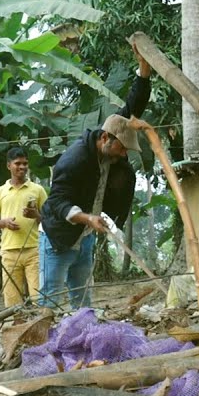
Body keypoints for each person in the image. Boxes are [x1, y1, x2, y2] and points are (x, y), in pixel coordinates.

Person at [40, 58, 152, 310]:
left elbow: (133, 106)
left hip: (85, 236)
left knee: (82, 300)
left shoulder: (113, 130)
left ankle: (84, 340)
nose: (124, 155)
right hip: (58, 237)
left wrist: (143, 73)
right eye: (122, 149)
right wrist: (88, 218)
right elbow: (57, 201)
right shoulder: (73, 161)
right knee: (50, 300)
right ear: (105, 139)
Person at [0, 147, 48, 308]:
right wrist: (4, 223)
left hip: (34, 251)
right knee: (13, 303)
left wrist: (36, 215)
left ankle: (38, 332)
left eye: (25, 163)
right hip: (9, 252)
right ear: (9, 166)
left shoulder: (38, 190)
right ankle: (18, 331)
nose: (22, 167)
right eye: (17, 163)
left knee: (39, 299)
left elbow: (50, 219)